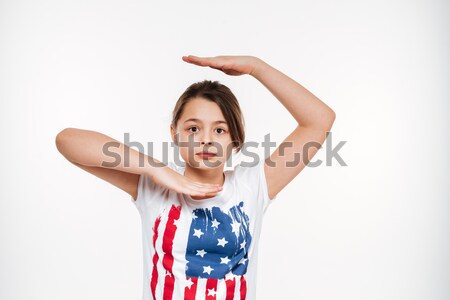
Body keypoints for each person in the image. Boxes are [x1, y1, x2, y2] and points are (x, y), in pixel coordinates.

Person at [55, 55, 336, 300]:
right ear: (173, 133)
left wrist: (256, 67)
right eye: (192, 129)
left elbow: (319, 120)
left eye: (219, 130)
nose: (205, 140)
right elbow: (68, 141)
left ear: (234, 138)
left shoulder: (253, 187)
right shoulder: (153, 187)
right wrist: (157, 169)